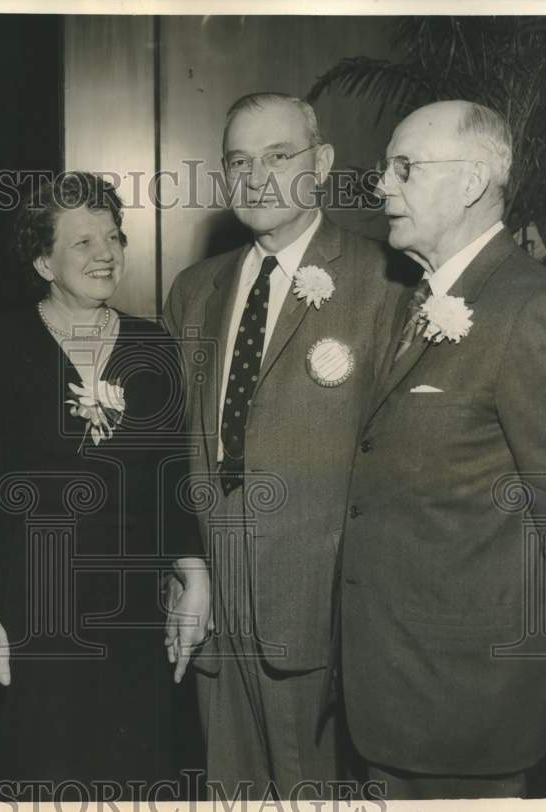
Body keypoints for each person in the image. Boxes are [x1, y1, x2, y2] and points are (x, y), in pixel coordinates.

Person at [339, 100, 546, 799]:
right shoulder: (420, 297)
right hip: (394, 693)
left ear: (469, 183)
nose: (381, 186)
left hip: (469, 712)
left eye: (405, 168)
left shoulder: (532, 310)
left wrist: (518, 683)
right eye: (384, 169)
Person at [163, 92, 399, 799]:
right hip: (210, 606)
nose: (255, 176)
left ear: (321, 163)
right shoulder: (195, 290)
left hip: (319, 612)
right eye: (239, 161)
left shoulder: (384, 281)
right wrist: (185, 565)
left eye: (277, 155)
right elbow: (172, 448)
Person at [0, 172, 209, 798]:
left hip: (133, 622)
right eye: (84, 242)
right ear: (43, 260)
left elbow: (172, 484)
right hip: (33, 617)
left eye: (115, 237)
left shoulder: (154, 346)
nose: (107, 253)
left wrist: (195, 578)